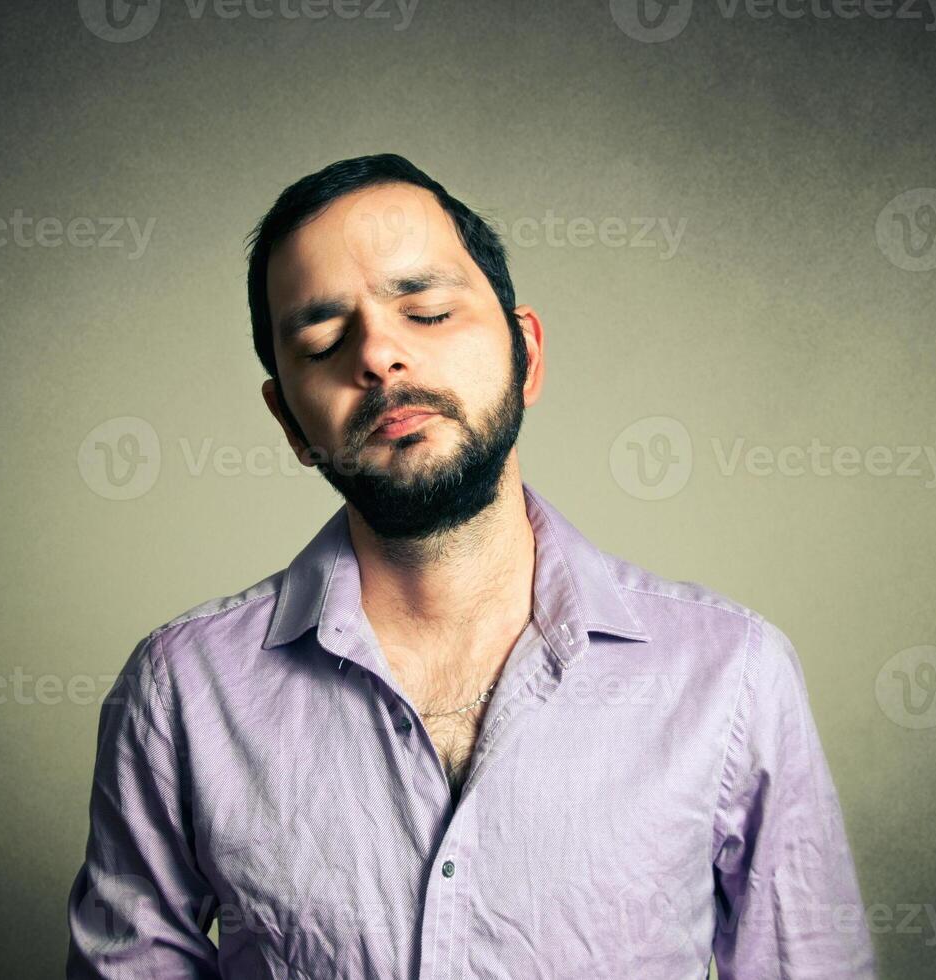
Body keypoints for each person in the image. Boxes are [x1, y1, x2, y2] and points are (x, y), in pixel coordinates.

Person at [66, 153, 877, 978]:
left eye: (425, 311)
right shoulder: (181, 693)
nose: (379, 355)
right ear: (289, 421)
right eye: (321, 340)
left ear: (526, 351)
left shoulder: (731, 676)